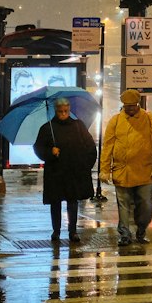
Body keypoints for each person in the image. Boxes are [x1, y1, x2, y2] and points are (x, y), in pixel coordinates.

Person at [99, 89, 152, 247]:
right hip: (122, 171)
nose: (130, 109)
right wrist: (105, 169)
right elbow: (107, 146)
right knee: (123, 204)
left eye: (133, 106)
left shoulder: (149, 118)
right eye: (127, 106)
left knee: (145, 204)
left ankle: (141, 230)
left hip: (145, 171)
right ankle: (125, 234)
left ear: (138, 104)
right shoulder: (115, 121)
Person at [33, 96, 97, 245]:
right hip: (55, 172)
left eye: (65, 111)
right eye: (60, 111)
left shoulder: (78, 126)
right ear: (55, 111)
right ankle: (56, 230)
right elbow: (38, 148)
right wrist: (50, 152)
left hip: (73, 171)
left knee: (72, 202)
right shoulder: (47, 128)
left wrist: (86, 166)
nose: (63, 113)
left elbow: (89, 147)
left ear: (69, 110)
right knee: (55, 202)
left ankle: (72, 231)